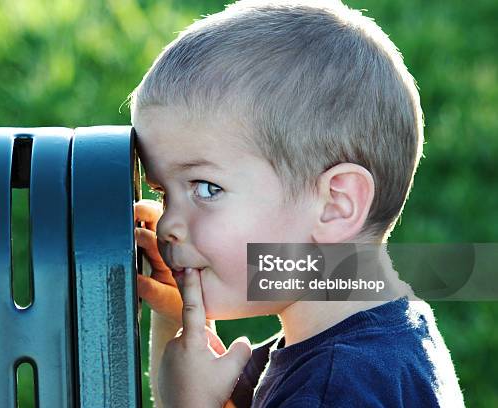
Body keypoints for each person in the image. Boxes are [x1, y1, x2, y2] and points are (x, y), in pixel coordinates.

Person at [129, 0, 465, 406]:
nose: (167, 226)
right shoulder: (368, 342)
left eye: (206, 188)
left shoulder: (336, 389)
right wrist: (176, 320)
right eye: (164, 193)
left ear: (335, 204)